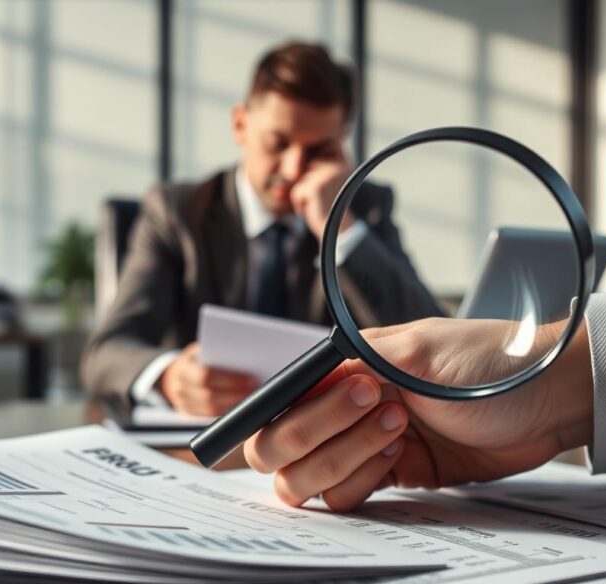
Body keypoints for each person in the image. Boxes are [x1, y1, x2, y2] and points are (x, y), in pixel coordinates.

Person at [244, 224, 606, 512]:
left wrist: (553, 391)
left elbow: (410, 307)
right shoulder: (199, 212)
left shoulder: (375, 217)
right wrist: (556, 397)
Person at [81, 42, 440, 416]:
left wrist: (338, 226)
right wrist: (169, 377)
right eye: (278, 143)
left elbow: (432, 346)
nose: (293, 169)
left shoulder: (365, 209)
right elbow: (106, 352)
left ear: (340, 143)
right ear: (240, 124)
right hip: (202, 431)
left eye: (318, 150)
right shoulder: (176, 212)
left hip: (324, 429)